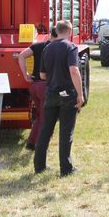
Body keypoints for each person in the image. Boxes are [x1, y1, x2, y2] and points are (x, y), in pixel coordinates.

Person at [34, 20, 85, 177]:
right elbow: (74, 70)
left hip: (51, 94)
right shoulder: (70, 47)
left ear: (56, 30)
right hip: (67, 94)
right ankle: (66, 169)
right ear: (69, 31)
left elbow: (42, 75)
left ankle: (39, 166)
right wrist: (80, 94)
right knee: (66, 132)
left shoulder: (47, 48)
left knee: (45, 130)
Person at [17, 27, 57, 150]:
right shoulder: (56, 48)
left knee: (40, 115)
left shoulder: (38, 46)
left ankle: (31, 142)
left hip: (35, 86)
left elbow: (21, 56)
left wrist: (26, 75)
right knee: (47, 117)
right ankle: (39, 145)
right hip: (46, 85)